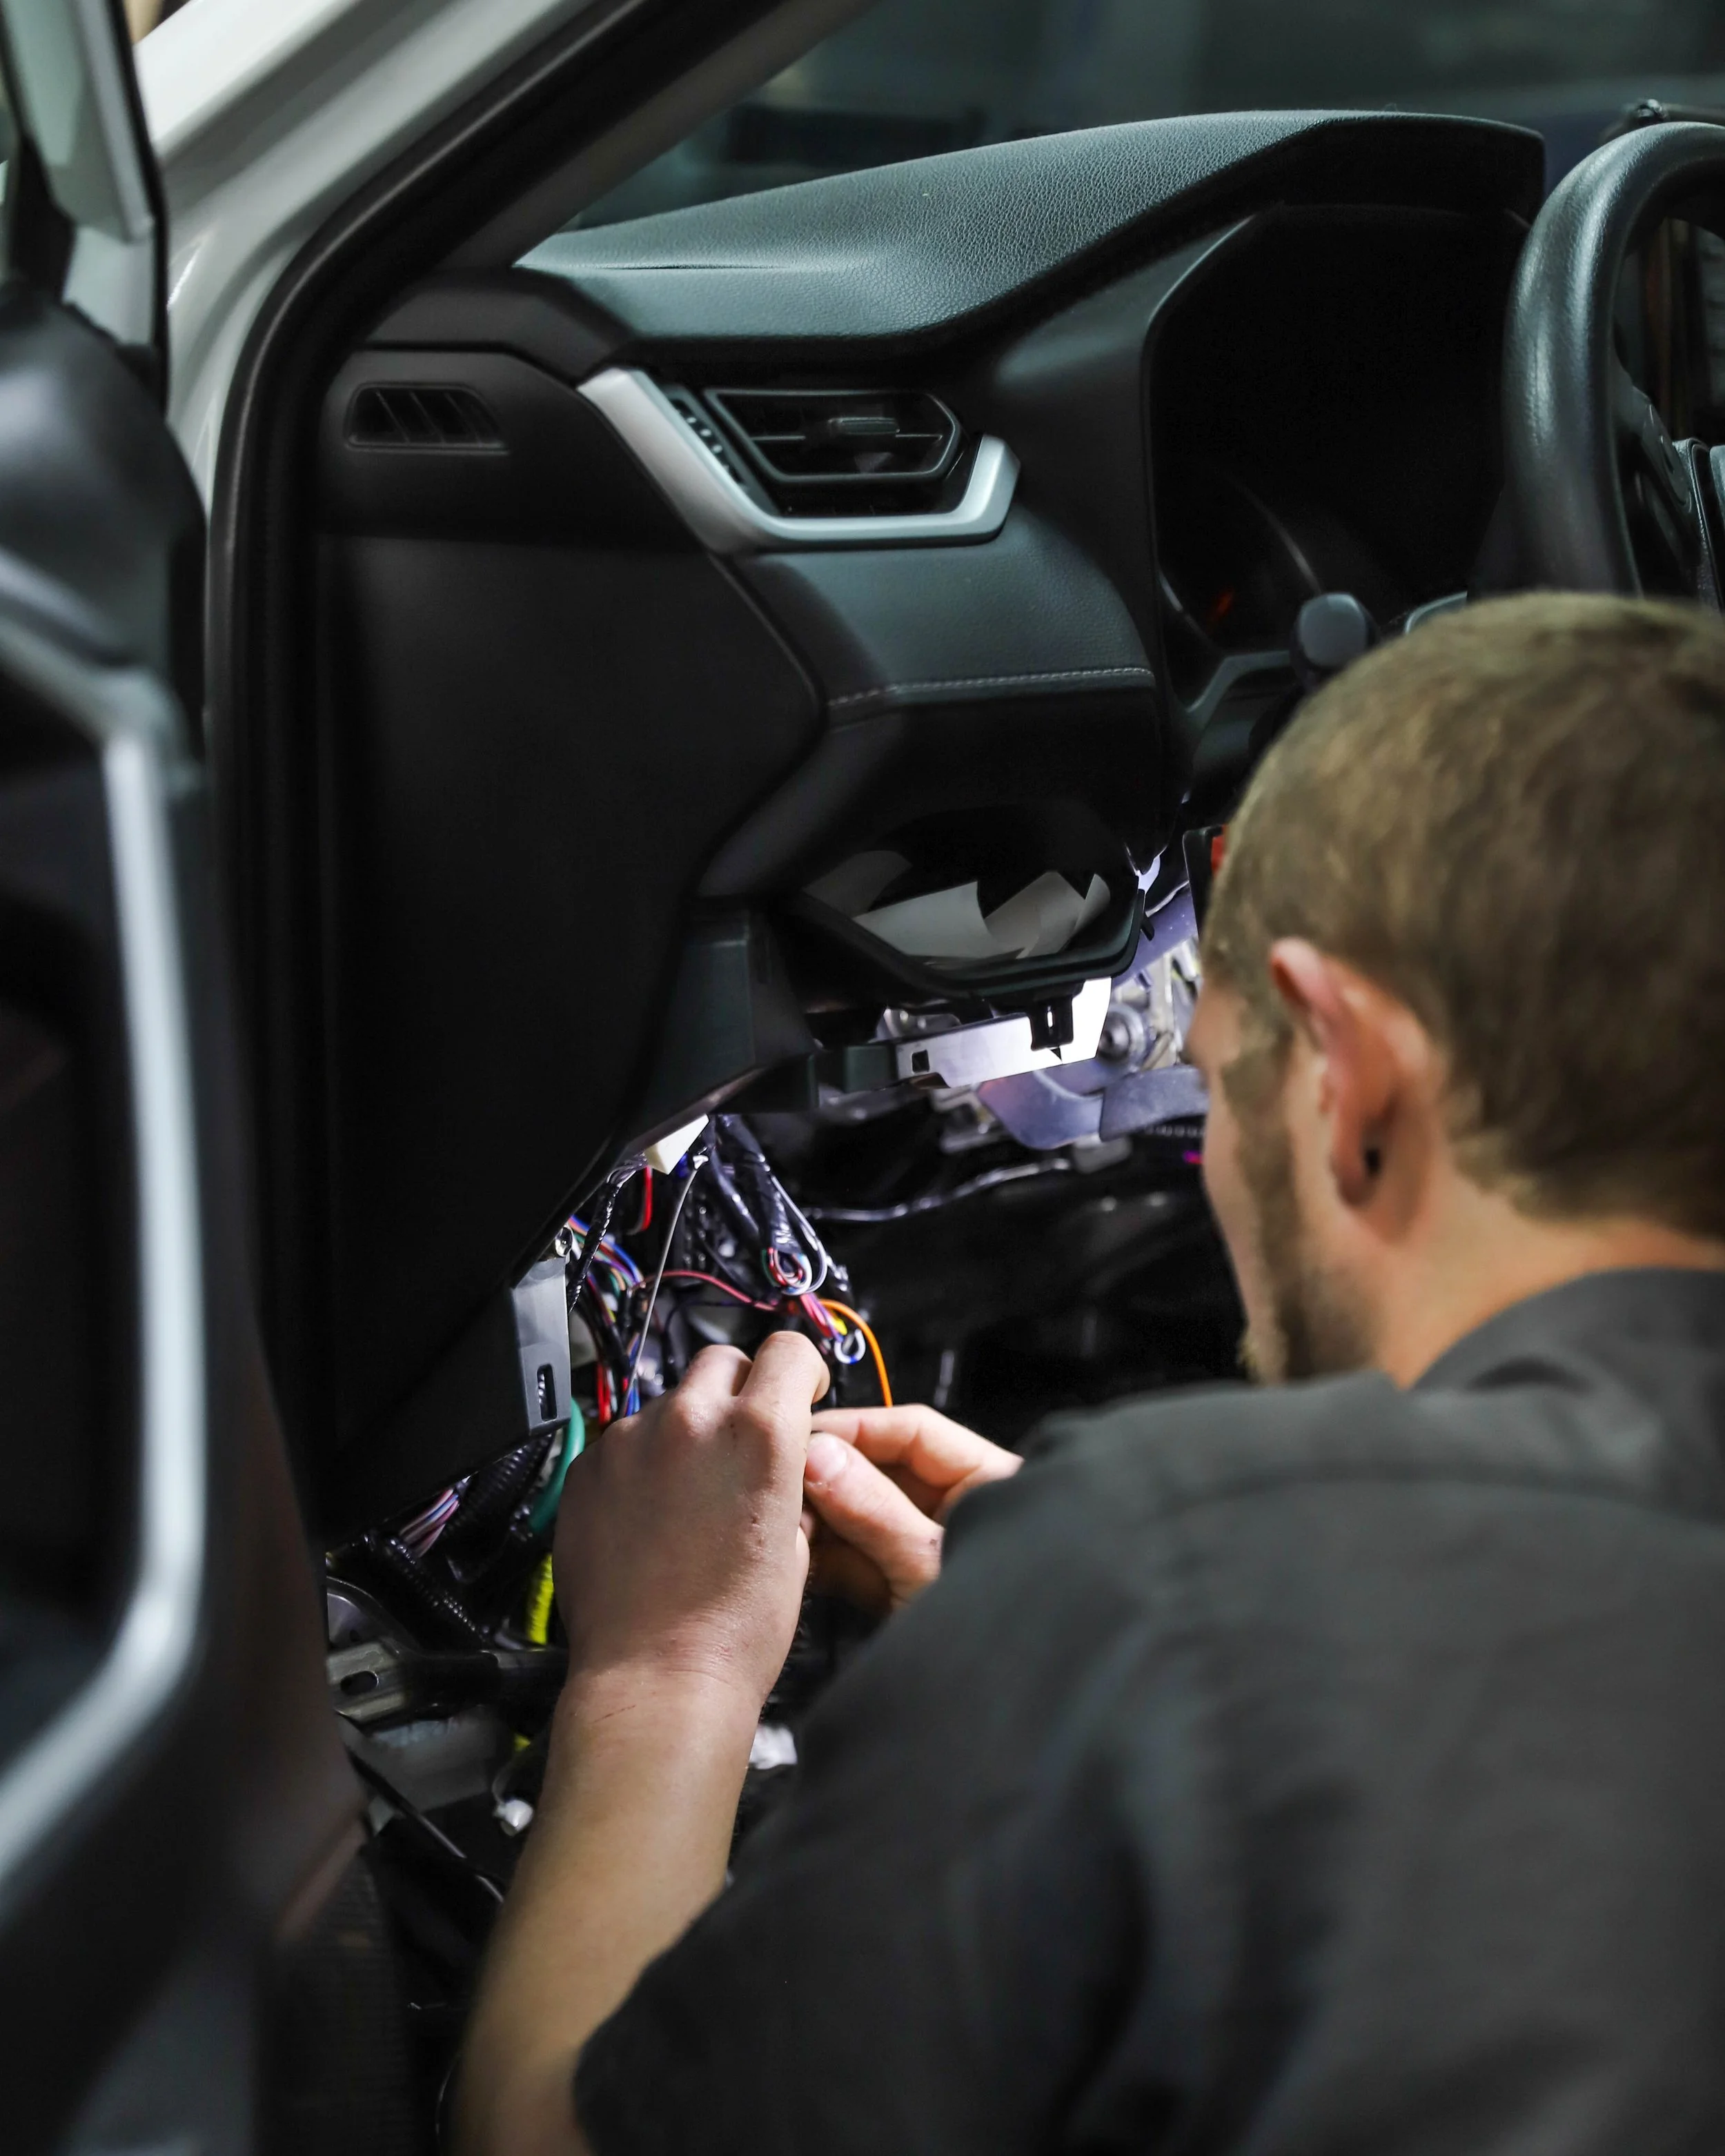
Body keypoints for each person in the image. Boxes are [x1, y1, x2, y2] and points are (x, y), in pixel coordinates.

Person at [455, 593, 1725, 2156]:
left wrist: (665, 1670)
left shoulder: (1163, 1583)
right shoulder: (1188, 1604)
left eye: (1217, 1067)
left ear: (1349, 1077)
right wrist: (1087, 1648)